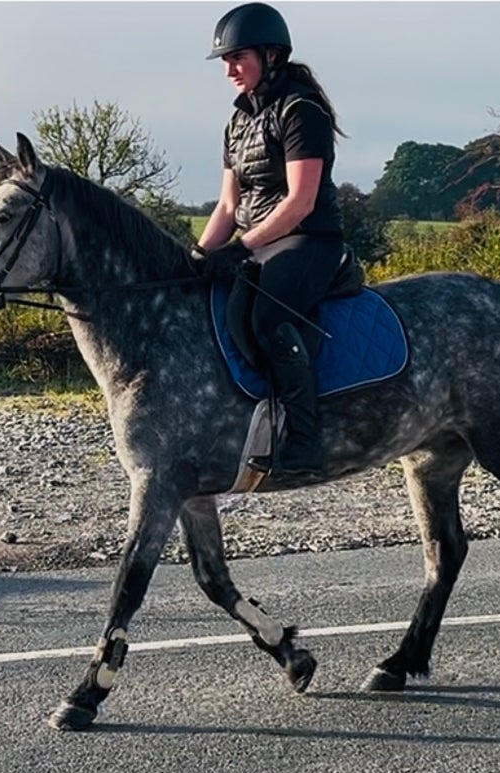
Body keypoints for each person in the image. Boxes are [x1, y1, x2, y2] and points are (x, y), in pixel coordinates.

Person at [190, 1, 363, 478]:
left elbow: (300, 203)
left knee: (264, 317)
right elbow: (228, 206)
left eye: (236, 57)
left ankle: (305, 441)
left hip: (309, 240)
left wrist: (241, 248)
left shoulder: (301, 112)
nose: (229, 69)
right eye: (224, 61)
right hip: (261, 240)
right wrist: (200, 256)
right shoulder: (237, 122)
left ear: (271, 55)